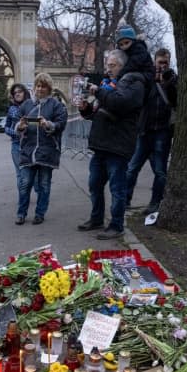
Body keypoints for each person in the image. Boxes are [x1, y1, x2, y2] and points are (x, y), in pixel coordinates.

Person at [76, 49, 146, 239]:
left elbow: (118, 104)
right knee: (95, 185)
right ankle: (97, 218)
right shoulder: (110, 84)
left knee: (117, 188)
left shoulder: (134, 83)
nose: (108, 69)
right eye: (107, 65)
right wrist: (87, 109)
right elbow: (102, 110)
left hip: (118, 145)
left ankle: (117, 225)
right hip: (101, 144)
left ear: (123, 66)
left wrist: (100, 92)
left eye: (112, 66)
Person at [125, 48, 177, 215]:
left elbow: (176, 101)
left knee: (160, 171)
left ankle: (155, 203)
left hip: (162, 131)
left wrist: (167, 82)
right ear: (155, 62)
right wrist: (151, 80)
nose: (163, 65)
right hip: (145, 131)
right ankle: (125, 200)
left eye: (166, 62)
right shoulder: (147, 78)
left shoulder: (173, 79)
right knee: (132, 168)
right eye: (160, 62)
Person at [14, 74, 68, 226]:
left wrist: (49, 124)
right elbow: (16, 124)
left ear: (49, 89)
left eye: (43, 86)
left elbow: (61, 124)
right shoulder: (26, 105)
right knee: (24, 183)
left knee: (44, 185)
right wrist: (20, 126)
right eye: (38, 85)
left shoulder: (56, 105)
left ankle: (39, 213)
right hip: (28, 151)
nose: (40, 89)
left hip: (47, 151)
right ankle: (21, 213)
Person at [4, 83, 33, 196]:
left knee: (31, 175)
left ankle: (32, 192)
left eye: (19, 92)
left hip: (31, 144)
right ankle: (23, 199)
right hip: (16, 145)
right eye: (15, 93)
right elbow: (6, 127)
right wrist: (16, 133)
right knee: (20, 174)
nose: (17, 94)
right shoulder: (11, 109)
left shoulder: (33, 106)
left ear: (25, 92)